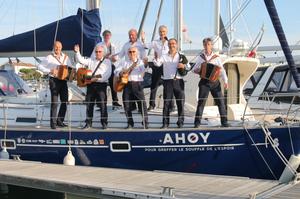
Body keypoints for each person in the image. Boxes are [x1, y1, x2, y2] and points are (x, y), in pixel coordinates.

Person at [153, 38, 190, 128]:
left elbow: (188, 67)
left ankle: (180, 122)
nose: (171, 45)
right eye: (170, 44)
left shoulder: (181, 56)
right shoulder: (164, 56)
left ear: (176, 45)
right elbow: (157, 64)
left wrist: (183, 65)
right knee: (166, 103)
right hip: (167, 81)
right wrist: (156, 58)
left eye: (173, 43)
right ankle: (165, 123)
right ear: (168, 45)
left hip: (179, 81)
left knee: (180, 103)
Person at [193, 37, 229, 128]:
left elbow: (222, 71)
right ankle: (197, 123)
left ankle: (224, 122)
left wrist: (226, 81)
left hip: (215, 82)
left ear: (211, 46)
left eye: (208, 44)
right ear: (203, 46)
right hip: (204, 82)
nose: (207, 46)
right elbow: (193, 69)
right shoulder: (200, 58)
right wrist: (198, 71)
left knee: (220, 102)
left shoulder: (216, 57)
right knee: (201, 102)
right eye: (205, 45)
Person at [74, 44, 112, 129]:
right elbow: (81, 60)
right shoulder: (91, 60)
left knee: (102, 104)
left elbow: (107, 74)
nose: (98, 53)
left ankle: (104, 123)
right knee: (89, 104)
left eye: (99, 52)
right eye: (96, 52)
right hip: (91, 84)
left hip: (101, 85)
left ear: (103, 53)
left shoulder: (107, 62)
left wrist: (96, 78)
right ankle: (88, 123)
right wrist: (77, 52)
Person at [38, 41, 73, 129]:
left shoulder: (66, 57)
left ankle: (60, 121)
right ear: (53, 47)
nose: (57, 48)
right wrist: (49, 71)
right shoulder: (49, 57)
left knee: (65, 101)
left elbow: (70, 68)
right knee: (55, 102)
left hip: (63, 81)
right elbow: (39, 66)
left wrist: (71, 75)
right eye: (56, 47)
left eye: (59, 47)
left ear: (61, 48)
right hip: (54, 80)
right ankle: (53, 123)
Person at [112, 28, 147, 112]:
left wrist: (142, 66)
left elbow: (144, 56)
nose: (131, 36)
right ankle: (131, 114)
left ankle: (141, 113)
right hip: (126, 72)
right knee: (127, 99)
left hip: (137, 69)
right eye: (130, 35)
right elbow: (120, 55)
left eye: (133, 35)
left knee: (140, 99)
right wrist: (114, 58)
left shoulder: (140, 44)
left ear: (136, 35)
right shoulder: (126, 45)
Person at [141, 25, 174, 111]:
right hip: (157, 66)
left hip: (167, 66)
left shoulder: (170, 42)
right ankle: (152, 105)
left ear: (166, 32)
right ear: (159, 32)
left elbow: (173, 52)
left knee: (168, 85)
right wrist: (143, 39)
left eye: (163, 31)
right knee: (154, 85)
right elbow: (145, 46)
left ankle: (172, 106)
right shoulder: (155, 42)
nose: (162, 33)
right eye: (160, 31)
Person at [114, 47, 148, 129]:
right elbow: (116, 71)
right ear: (128, 53)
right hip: (127, 84)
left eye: (133, 52)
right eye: (130, 52)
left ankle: (145, 122)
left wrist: (145, 64)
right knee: (126, 104)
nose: (132, 53)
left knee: (142, 104)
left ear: (136, 53)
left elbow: (143, 69)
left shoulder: (139, 62)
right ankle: (130, 123)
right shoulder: (124, 62)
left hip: (137, 84)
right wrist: (121, 72)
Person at [91, 30, 121, 108]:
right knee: (99, 82)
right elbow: (93, 56)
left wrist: (114, 58)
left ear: (110, 36)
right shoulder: (99, 45)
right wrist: (104, 57)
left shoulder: (113, 46)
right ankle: (99, 102)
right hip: (101, 66)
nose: (107, 37)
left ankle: (115, 101)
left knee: (113, 83)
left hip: (111, 65)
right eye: (105, 35)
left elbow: (116, 58)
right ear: (103, 36)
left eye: (108, 35)